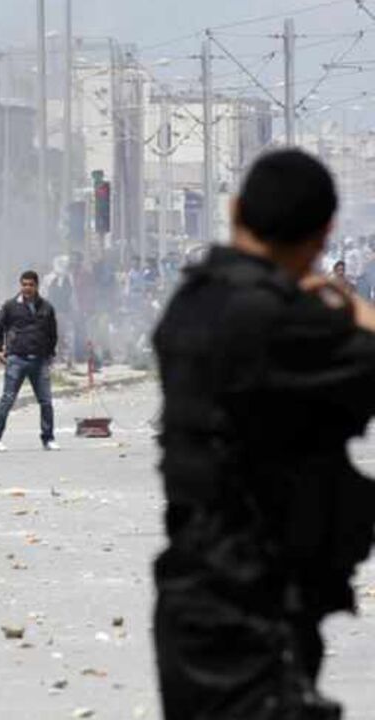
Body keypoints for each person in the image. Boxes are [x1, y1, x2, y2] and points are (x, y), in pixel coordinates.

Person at [151, 150, 375, 720]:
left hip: (197, 599)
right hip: (252, 611)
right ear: (323, 235)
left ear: (234, 211)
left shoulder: (191, 303)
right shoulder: (278, 321)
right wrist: (342, 298)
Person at [0, 271, 59, 453]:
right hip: (17, 359)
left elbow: (52, 334)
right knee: (8, 399)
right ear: (20, 285)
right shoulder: (11, 306)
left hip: (40, 360)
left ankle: (48, 438)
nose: (27, 288)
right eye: (24, 284)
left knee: (46, 401)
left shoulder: (46, 307)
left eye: (30, 285)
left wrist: (50, 354)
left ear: (37, 286)